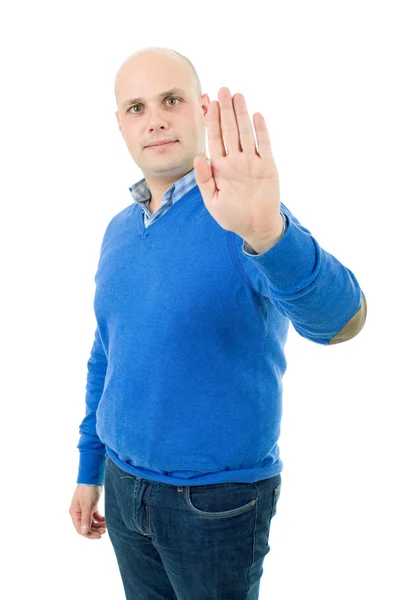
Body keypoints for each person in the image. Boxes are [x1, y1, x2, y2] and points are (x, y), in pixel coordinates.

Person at [69, 46, 367, 600]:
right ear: (121, 125)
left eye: (172, 100)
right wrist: (91, 467)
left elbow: (342, 321)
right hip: (123, 484)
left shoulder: (242, 217)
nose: (154, 118)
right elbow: (107, 352)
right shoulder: (119, 229)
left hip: (215, 503)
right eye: (136, 108)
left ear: (202, 110)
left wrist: (269, 234)